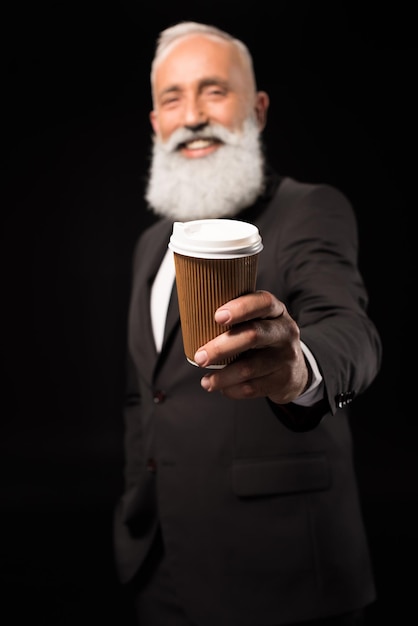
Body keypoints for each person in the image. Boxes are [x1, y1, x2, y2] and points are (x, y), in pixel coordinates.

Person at [113, 20, 383, 626]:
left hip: (282, 576)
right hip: (159, 569)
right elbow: (144, 394)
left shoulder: (309, 209)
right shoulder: (150, 244)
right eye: (172, 98)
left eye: (214, 90)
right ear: (156, 124)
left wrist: (299, 370)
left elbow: (349, 329)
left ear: (257, 109)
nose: (192, 115)